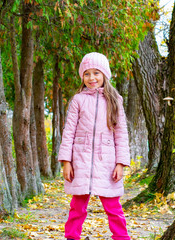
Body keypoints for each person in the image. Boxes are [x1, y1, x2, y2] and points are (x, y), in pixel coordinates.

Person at [58, 52, 131, 240]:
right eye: (87, 73)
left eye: (96, 73)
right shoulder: (78, 100)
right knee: (77, 207)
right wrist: (66, 162)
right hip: (80, 161)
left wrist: (120, 163)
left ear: (104, 74)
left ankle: (122, 237)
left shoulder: (115, 100)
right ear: (82, 77)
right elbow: (69, 132)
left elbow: (121, 134)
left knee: (113, 207)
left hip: (107, 161)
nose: (92, 78)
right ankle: (72, 237)